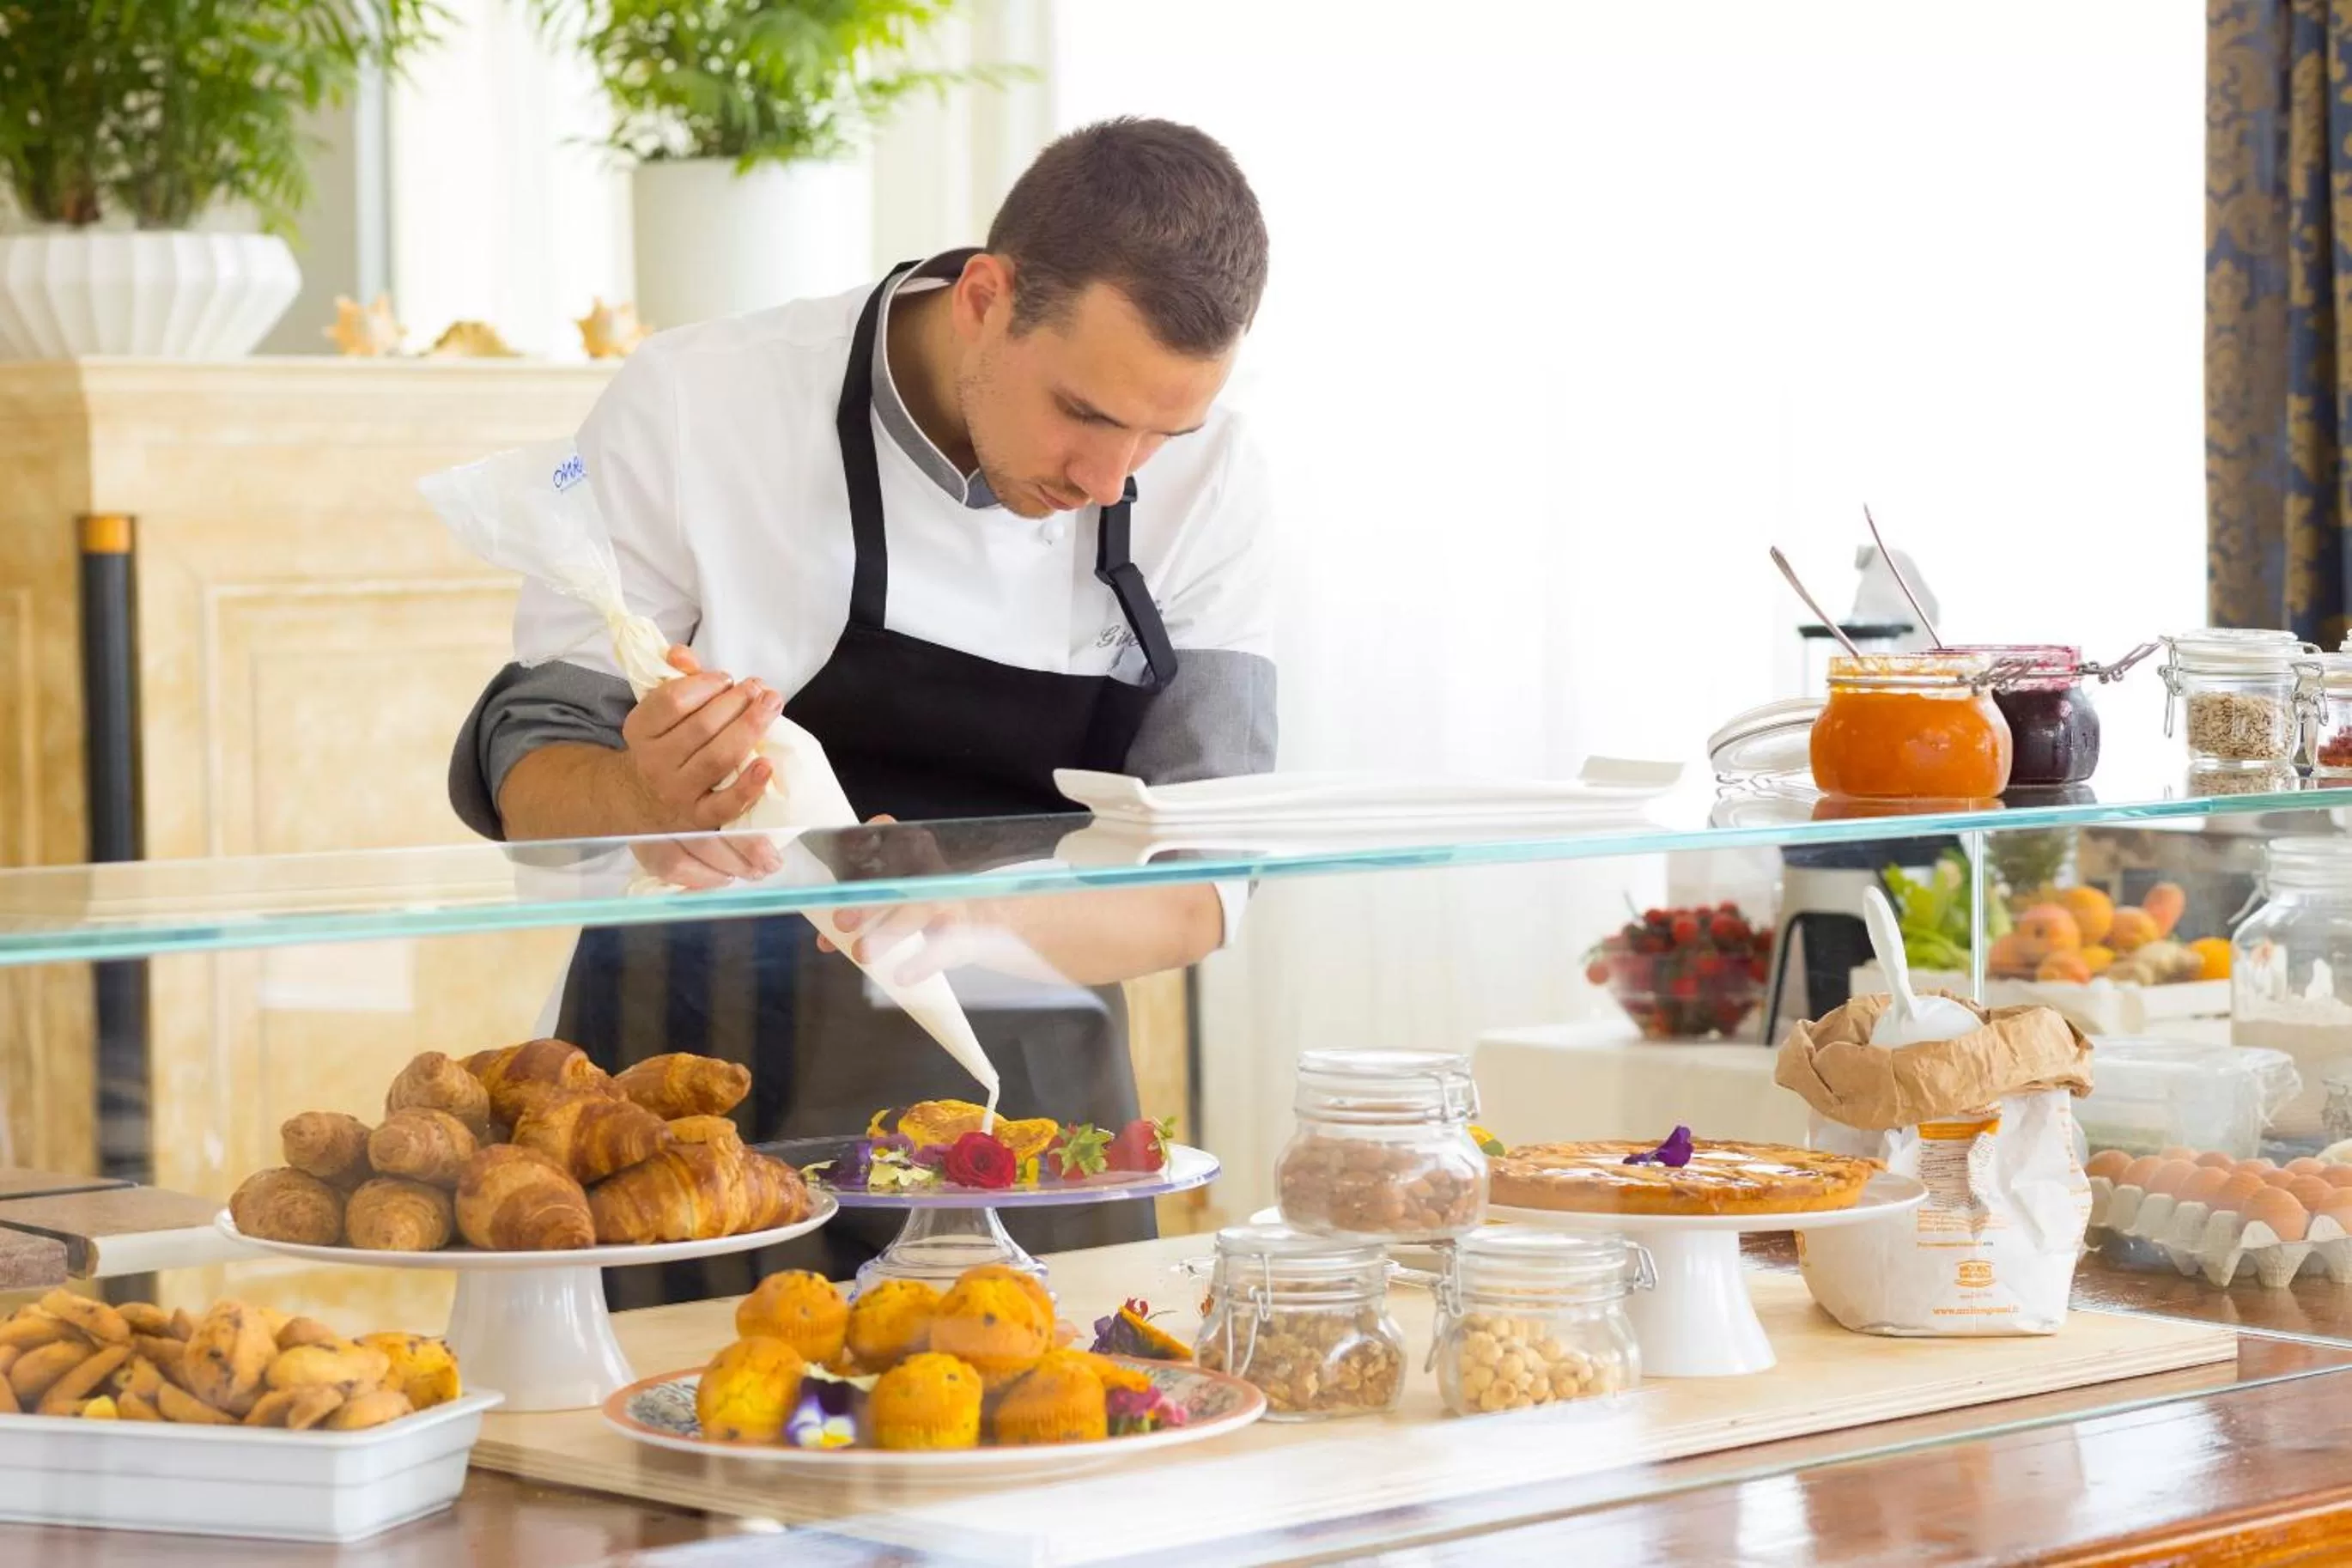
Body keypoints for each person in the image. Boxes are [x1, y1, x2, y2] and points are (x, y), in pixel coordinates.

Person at [447, 118, 1277, 1299]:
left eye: (1162, 434)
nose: (1111, 478)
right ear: (985, 298)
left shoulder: (1219, 482)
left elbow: (1203, 887)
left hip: (1024, 1117)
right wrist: (645, 790)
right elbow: (533, 770)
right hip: (689, 1120)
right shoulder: (702, 402)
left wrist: (970, 925)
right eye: (1086, 415)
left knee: (1053, 1452)